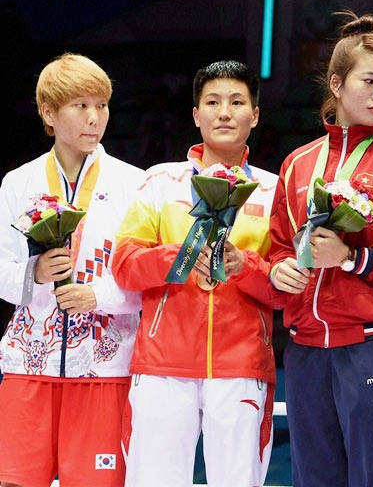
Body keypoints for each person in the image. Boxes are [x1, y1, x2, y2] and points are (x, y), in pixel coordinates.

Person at [269, 13, 373, 486]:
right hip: (305, 350)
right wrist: (280, 273)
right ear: (337, 83)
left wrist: (351, 257)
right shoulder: (296, 164)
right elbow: (279, 249)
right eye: (369, 81)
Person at [112, 60, 277, 487]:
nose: (224, 112)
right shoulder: (160, 182)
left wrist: (245, 266)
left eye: (237, 102)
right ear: (196, 114)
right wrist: (177, 256)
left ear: (255, 115)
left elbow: (286, 288)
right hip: (163, 365)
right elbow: (125, 266)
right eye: (213, 102)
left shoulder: (274, 191)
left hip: (241, 365)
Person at [0, 53, 142, 487]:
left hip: (105, 369)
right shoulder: (18, 182)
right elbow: (2, 273)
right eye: (80, 106)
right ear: (48, 112)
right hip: (28, 364)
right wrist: (35, 272)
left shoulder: (133, 183)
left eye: (101, 105)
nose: (94, 118)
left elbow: (143, 283)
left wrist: (96, 296)